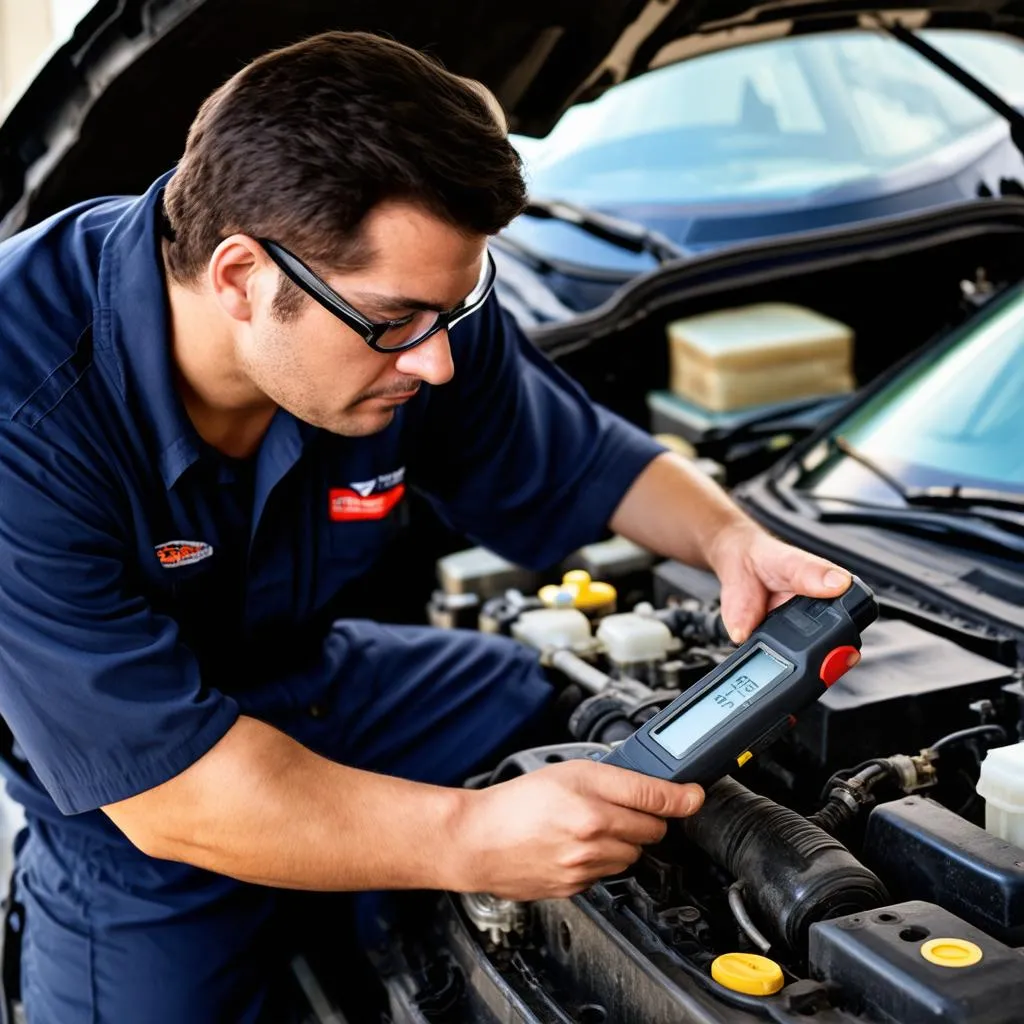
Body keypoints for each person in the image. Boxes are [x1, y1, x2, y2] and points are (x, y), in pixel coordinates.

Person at [0, 30, 855, 1024]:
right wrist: (467, 835)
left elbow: (583, 458)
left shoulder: (408, 303)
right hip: (137, 801)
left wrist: (730, 541)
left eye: (457, 307)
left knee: (562, 711)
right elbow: (175, 794)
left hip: (324, 680)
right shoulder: (23, 415)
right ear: (239, 278)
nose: (438, 361)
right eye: (399, 322)